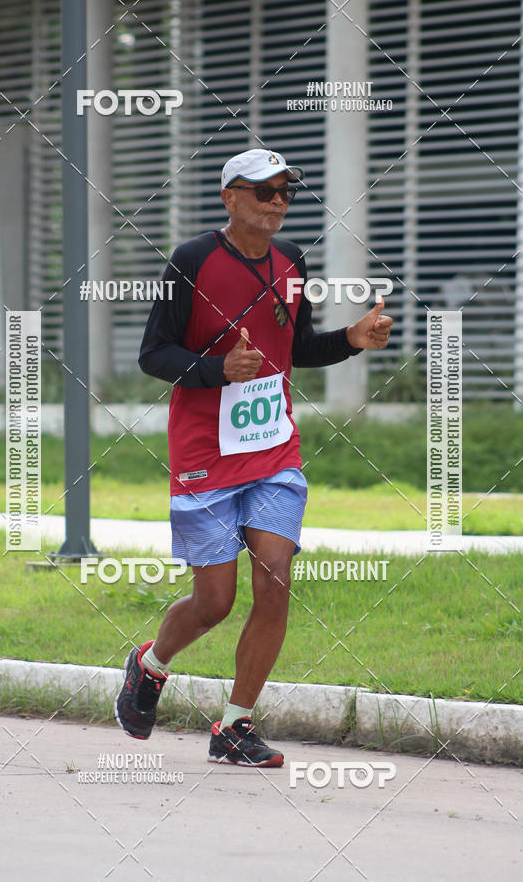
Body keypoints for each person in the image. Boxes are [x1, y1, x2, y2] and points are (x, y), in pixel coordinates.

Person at [115, 147, 393, 767]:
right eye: (263, 191)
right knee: (214, 601)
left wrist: (352, 339)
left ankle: (235, 725)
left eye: (285, 192)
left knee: (274, 581)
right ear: (230, 198)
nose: (276, 202)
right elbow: (152, 354)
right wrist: (218, 370)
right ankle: (150, 664)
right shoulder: (191, 261)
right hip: (203, 453)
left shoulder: (292, 261)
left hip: (273, 449)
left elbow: (296, 346)